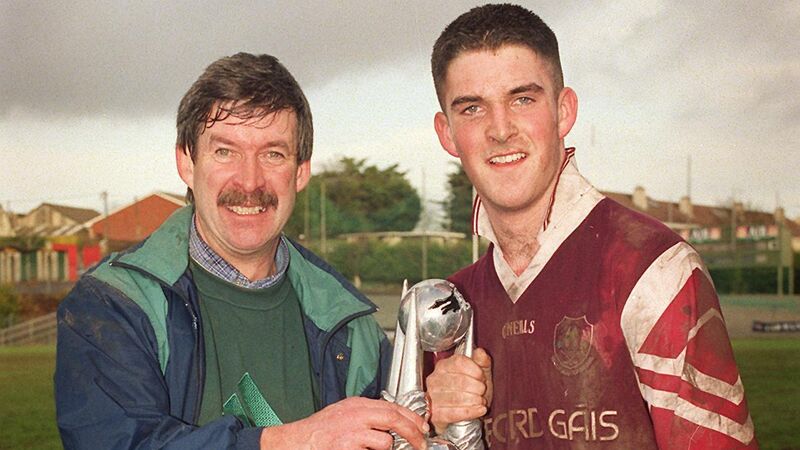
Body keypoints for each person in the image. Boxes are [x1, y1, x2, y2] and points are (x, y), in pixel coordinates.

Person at [55, 52, 431, 450]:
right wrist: (287, 441)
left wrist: (438, 408)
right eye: (225, 151)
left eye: (273, 154)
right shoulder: (112, 306)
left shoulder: (351, 327)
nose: (250, 182)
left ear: (300, 172)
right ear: (186, 162)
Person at [425, 4, 757, 449]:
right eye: (472, 108)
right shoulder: (448, 310)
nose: (500, 130)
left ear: (564, 111)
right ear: (447, 133)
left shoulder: (653, 269)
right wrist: (438, 431)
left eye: (523, 99)